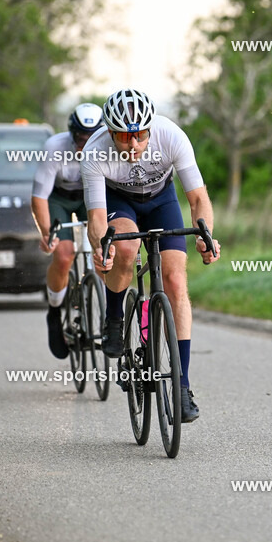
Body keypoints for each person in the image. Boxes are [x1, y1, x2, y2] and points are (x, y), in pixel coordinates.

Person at [83, 89, 220, 423]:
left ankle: (182, 386)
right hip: (120, 203)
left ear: (150, 129)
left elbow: (198, 198)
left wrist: (205, 235)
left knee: (175, 281)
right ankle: (114, 319)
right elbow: (98, 219)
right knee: (126, 248)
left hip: (162, 201)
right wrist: (105, 248)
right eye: (124, 137)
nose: (133, 145)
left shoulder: (171, 135)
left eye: (140, 135)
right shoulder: (94, 151)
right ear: (110, 132)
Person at [31, 103, 105, 358]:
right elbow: (39, 197)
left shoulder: (108, 147)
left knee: (105, 249)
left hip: (91, 197)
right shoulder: (54, 147)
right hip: (58, 198)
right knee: (63, 255)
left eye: (91, 138)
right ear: (72, 134)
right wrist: (46, 233)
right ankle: (54, 310)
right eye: (80, 138)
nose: (84, 144)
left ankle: (110, 312)